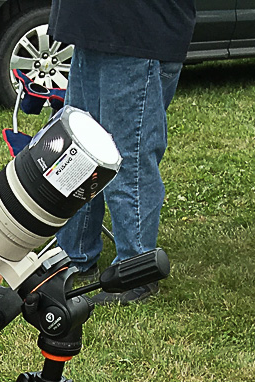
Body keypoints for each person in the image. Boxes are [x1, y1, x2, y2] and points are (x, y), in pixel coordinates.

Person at [48, 0, 195, 306]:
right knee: (80, 154)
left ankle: (135, 272)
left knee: (128, 161)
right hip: (93, 30)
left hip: (135, 34)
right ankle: (73, 257)